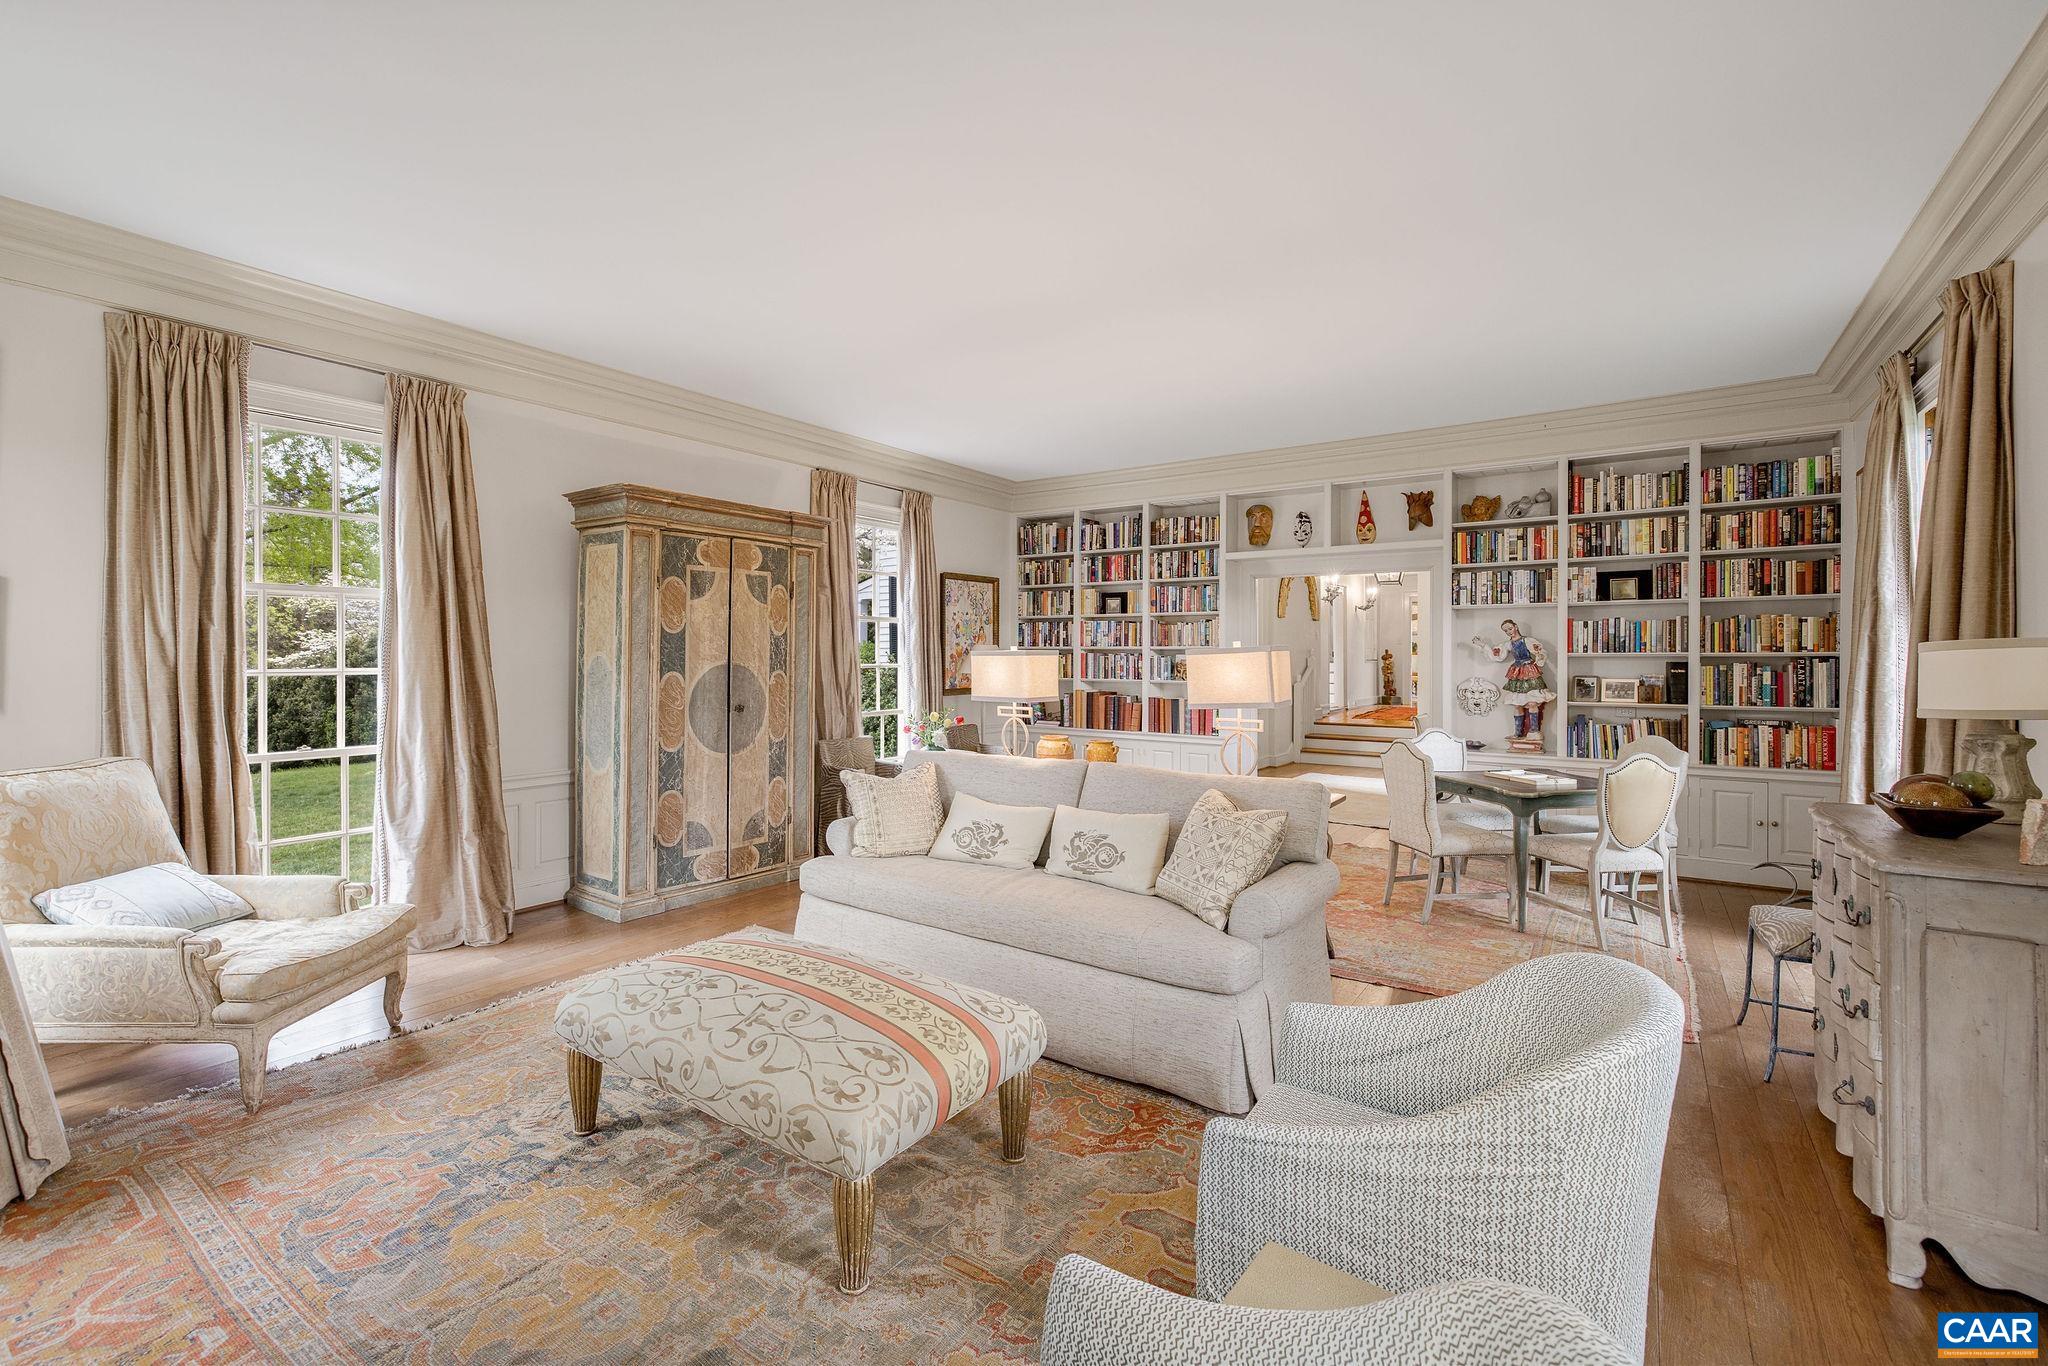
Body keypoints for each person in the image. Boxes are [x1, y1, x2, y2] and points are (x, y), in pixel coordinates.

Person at [1473, 619, 1556, 740]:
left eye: (1510, 629)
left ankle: (1534, 731)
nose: (1509, 632)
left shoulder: (1526, 641)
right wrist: (1483, 645)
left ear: (1515, 627)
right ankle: (1517, 733)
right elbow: (1497, 655)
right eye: (1506, 631)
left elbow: (1539, 650)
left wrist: (1540, 655)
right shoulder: (1508, 644)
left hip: (1529, 670)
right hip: (1516, 672)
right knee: (1517, 704)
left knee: (1532, 702)